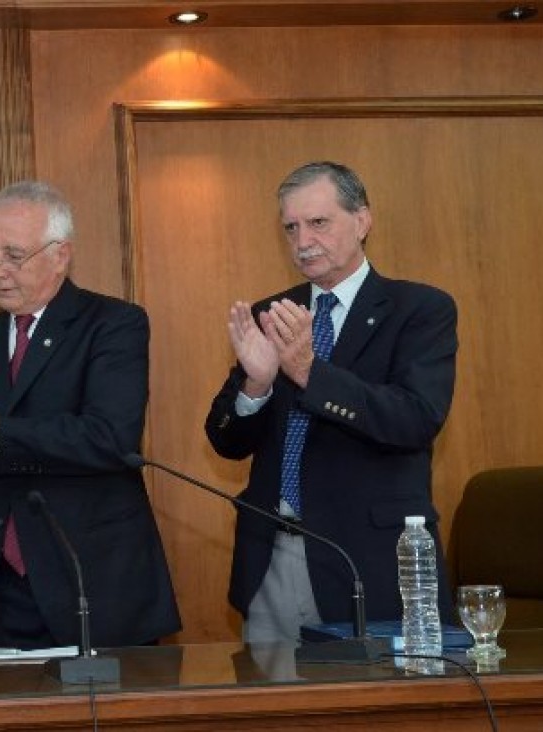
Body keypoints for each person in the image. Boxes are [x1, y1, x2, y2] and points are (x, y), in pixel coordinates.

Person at [0, 181, 181, 650]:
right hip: (2, 596)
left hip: (97, 589)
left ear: (60, 255)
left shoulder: (114, 325)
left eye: (13, 255)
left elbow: (110, 438)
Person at [205, 161, 457, 644]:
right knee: (270, 713)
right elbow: (225, 442)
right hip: (271, 559)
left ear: (362, 221)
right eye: (291, 228)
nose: (302, 242)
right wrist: (256, 386)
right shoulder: (272, 312)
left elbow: (415, 419)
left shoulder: (419, 310)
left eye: (318, 223)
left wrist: (307, 372)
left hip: (368, 562)